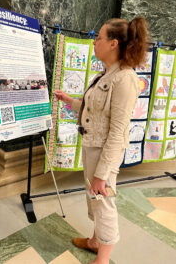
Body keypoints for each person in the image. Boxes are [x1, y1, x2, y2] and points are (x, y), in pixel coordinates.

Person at [54, 17, 148, 264]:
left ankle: (102, 259)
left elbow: (117, 132)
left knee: (103, 201)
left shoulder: (125, 79)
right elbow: (93, 110)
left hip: (105, 153)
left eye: (99, 38)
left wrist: (102, 174)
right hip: (92, 147)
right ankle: (96, 241)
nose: (95, 42)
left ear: (113, 43)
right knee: (94, 199)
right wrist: (68, 101)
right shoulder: (106, 74)